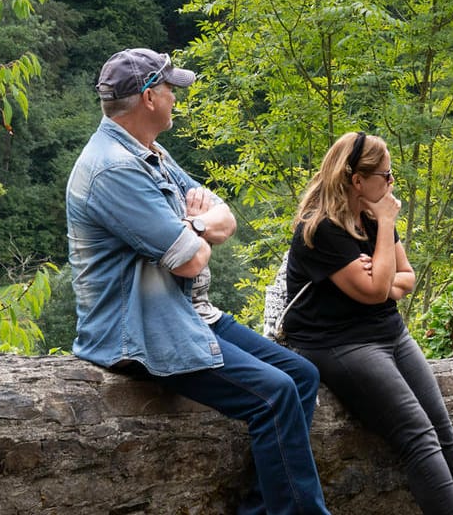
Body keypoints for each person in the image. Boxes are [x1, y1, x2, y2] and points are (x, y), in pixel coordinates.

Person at [67, 49, 329, 515]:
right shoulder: (114, 169)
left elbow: (225, 218)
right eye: (171, 89)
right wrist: (198, 230)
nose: (175, 97)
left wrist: (199, 226)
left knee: (301, 375)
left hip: (186, 314)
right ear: (149, 97)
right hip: (143, 330)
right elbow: (190, 261)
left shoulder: (151, 153)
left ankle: (261, 509)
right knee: (274, 395)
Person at [284, 132, 453, 515]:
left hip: (389, 333)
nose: (392, 183)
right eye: (386, 174)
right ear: (357, 180)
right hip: (339, 343)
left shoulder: (374, 216)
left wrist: (382, 275)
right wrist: (381, 272)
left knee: (445, 433)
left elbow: (405, 278)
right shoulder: (321, 229)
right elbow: (377, 289)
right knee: (419, 437)